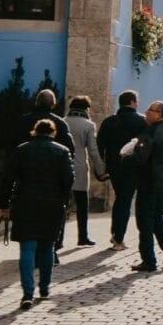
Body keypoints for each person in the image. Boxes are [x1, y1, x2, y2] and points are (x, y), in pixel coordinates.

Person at [3, 117, 74, 310]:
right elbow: (68, 180)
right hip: (52, 205)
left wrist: (4, 205)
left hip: (25, 203)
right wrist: (65, 202)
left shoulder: (22, 150)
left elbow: (7, 179)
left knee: (27, 249)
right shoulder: (62, 152)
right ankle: (44, 287)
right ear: (53, 133)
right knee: (47, 246)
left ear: (34, 131)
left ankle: (27, 292)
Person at [130, 100, 163, 272]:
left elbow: (141, 159)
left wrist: (128, 156)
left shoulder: (151, 132)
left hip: (149, 183)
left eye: (150, 110)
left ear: (159, 114)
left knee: (145, 222)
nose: (146, 113)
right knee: (157, 218)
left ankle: (149, 260)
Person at [96, 90, 147, 249]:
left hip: (114, 166)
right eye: (137, 100)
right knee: (124, 200)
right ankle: (118, 238)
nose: (138, 103)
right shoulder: (142, 122)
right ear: (132, 102)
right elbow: (146, 145)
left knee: (120, 198)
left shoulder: (109, 121)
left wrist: (102, 167)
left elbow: (100, 145)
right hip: (133, 167)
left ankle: (115, 233)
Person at [62, 95, 105, 247]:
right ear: (86, 108)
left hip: (62, 166)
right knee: (82, 205)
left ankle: (58, 240)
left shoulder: (62, 122)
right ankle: (83, 237)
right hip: (80, 167)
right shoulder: (88, 125)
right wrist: (100, 170)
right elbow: (93, 150)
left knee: (62, 204)